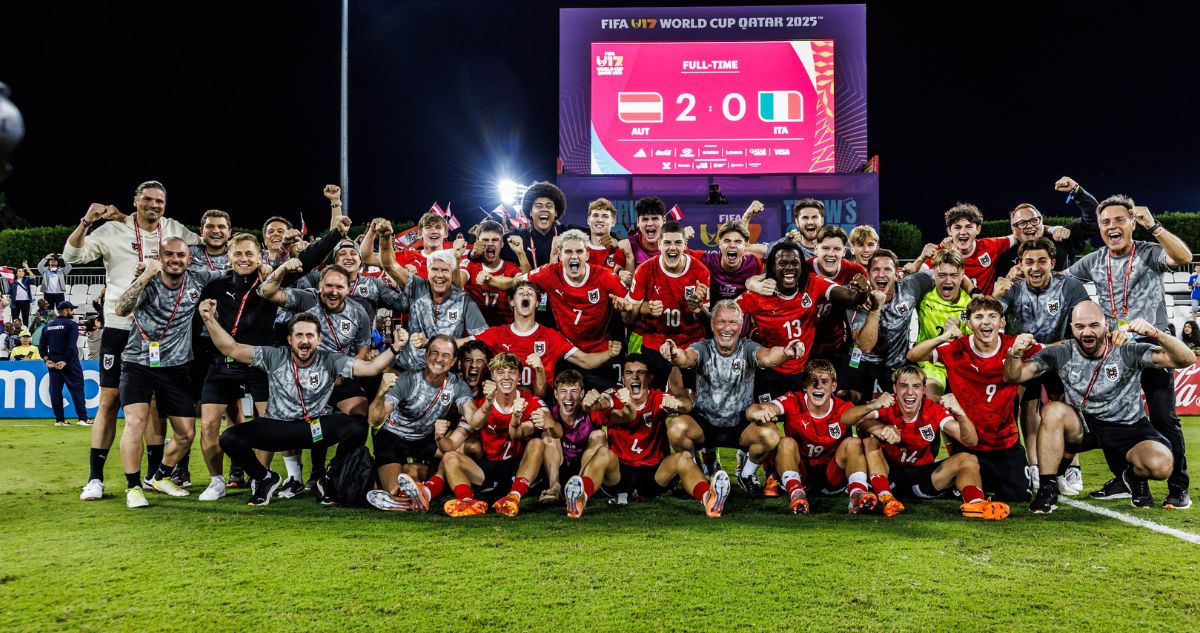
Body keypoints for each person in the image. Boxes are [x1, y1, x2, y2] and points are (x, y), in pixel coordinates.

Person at [64, 181, 200, 501]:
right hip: (120, 325)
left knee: (154, 404)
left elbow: (209, 248)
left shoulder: (173, 228)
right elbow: (72, 254)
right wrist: (86, 221)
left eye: (160, 201)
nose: (154, 205)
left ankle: (154, 476)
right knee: (109, 400)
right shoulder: (112, 231)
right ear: (136, 200)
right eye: (148, 200)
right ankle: (95, 479)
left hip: (157, 330)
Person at [1004, 303, 1197, 512]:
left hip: (1129, 426)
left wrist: (1155, 333)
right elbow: (1013, 376)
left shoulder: (1126, 349)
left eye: (1094, 325)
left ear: (1107, 325)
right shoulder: (1062, 352)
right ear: (1072, 327)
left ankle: (1132, 476)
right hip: (1085, 425)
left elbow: (1186, 359)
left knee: (1161, 466)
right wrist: (1015, 353)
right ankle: (1047, 489)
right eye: (1080, 326)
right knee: (1052, 411)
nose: (1086, 332)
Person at [206, 307, 402, 506]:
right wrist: (208, 318)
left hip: (313, 427)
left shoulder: (330, 360)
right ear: (290, 339)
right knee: (230, 438)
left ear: (319, 339)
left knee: (357, 428)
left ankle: (329, 477)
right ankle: (264, 478)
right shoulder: (274, 356)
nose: (304, 340)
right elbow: (231, 348)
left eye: (310, 335)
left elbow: (371, 368)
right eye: (299, 335)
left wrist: (395, 348)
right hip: (277, 426)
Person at [1067, 196, 1192, 508]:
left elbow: (1183, 256)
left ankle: (1179, 487)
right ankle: (1130, 481)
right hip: (1116, 352)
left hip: (1151, 347)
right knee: (1108, 415)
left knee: (1163, 417)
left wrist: (1155, 226)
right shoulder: (1095, 260)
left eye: (1119, 220)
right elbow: (1063, 280)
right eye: (1105, 222)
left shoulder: (1148, 252)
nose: (1112, 226)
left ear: (1132, 222)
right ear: (1099, 227)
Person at [108, 238, 223, 508]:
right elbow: (121, 309)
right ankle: (133, 487)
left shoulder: (198, 278)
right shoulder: (148, 282)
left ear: (188, 258)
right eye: (168, 254)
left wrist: (267, 268)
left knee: (186, 433)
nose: (175, 259)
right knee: (135, 423)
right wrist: (146, 274)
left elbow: (235, 269)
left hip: (176, 367)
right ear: (159, 257)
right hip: (138, 363)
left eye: (180, 255)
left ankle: (159, 477)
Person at [659, 300, 805, 493]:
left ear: (741, 325)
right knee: (676, 428)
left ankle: (746, 474)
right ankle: (695, 474)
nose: (726, 328)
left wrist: (786, 353)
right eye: (721, 322)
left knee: (770, 435)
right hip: (704, 423)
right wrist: (674, 353)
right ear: (712, 324)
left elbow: (768, 356)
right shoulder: (703, 348)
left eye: (732, 322)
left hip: (740, 425)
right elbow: (686, 358)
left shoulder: (748, 348)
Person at [560, 354, 731, 518]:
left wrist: (678, 403)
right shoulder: (613, 396)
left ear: (649, 378)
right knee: (603, 453)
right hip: (620, 474)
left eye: (640, 373)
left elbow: (686, 405)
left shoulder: (657, 398)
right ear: (623, 379)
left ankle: (709, 498)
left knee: (684, 457)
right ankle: (580, 498)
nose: (634, 377)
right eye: (629, 373)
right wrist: (592, 403)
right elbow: (601, 403)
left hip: (654, 474)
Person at [907, 297, 1040, 500]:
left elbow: (1051, 351)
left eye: (992, 316)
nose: (985, 322)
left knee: (1019, 495)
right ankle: (952, 473)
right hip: (970, 444)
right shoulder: (957, 348)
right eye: (978, 317)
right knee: (969, 487)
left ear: (1002, 322)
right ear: (969, 323)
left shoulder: (1014, 345)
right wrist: (943, 337)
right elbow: (913, 356)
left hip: (1005, 443)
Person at [843, 365, 1012, 520]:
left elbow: (971, 440)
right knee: (870, 443)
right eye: (904, 386)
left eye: (916, 387)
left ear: (924, 389)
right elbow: (846, 418)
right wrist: (875, 417)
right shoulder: (887, 404)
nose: (910, 392)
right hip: (890, 476)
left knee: (968, 459)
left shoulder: (934, 410)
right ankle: (886, 498)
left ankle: (975, 503)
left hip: (924, 479)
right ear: (895, 388)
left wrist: (961, 414)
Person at [995, 237, 1090, 493]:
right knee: (1028, 409)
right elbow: (993, 316)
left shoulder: (1069, 286)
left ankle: (1071, 466)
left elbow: (1086, 320)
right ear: (1020, 265)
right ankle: (1035, 466)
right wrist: (996, 294)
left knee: (1065, 407)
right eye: (1029, 262)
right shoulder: (1013, 289)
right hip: (1027, 358)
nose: (1035, 267)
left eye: (1041, 261)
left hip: (1061, 355)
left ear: (1052, 263)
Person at [486, 228, 634, 390]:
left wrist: (626, 309)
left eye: (579, 251)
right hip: (568, 353)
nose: (574, 256)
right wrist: (489, 280)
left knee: (605, 407)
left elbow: (630, 316)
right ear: (560, 255)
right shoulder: (549, 272)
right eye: (568, 251)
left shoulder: (605, 277)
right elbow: (513, 283)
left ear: (587, 255)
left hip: (603, 353)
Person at [191, 234, 278, 500]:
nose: (244, 259)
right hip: (222, 363)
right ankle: (216, 480)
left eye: (249, 254)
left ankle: (261, 478)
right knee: (207, 426)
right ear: (229, 256)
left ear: (259, 256)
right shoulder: (215, 286)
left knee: (266, 425)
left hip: (259, 362)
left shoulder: (270, 283)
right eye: (238, 254)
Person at [738, 241, 869, 401]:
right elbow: (723, 314)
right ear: (772, 267)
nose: (789, 268)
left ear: (802, 267)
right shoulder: (757, 295)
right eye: (782, 263)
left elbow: (852, 297)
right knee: (766, 418)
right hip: (770, 369)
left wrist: (862, 291)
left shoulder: (813, 283)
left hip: (802, 370)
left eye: (794, 263)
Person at [744, 360, 878, 514]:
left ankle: (857, 493)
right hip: (800, 473)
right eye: (813, 381)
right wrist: (755, 412)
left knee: (854, 442)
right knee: (785, 442)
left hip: (832, 476)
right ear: (804, 385)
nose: (818, 386)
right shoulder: (793, 400)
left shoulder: (842, 407)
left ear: (833, 386)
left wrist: (882, 429)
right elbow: (757, 408)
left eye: (824, 382)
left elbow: (866, 420)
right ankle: (796, 494)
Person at [365, 335, 478, 505]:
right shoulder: (408, 379)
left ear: (454, 361)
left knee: (467, 450)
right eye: (434, 353)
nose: (439, 359)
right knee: (395, 491)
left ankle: (424, 484)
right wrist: (381, 392)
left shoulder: (457, 385)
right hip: (394, 437)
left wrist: (489, 403)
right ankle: (399, 488)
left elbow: (474, 419)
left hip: (424, 439)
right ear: (426, 356)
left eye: (446, 355)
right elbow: (374, 420)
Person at [473, 280, 622, 397]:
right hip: (504, 400)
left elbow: (585, 360)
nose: (526, 295)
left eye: (530, 293)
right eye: (521, 293)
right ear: (512, 301)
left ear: (537, 303)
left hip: (539, 404)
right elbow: (464, 343)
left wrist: (609, 354)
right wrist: (449, 344)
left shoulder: (551, 337)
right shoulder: (497, 334)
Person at [628, 221, 711, 387]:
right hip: (655, 342)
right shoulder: (644, 270)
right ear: (659, 244)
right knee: (652, 397)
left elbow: (705, 321)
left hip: (690, 342)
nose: (672, 248)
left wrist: (698, 308)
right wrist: (648, 308)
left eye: (678, 243)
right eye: (667, 242)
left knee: (693, 398)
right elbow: (630, 316)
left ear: (685, 245)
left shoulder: (700, 271)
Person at [996, 176, 1099, 276]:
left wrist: (1077, 191)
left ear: (1041, 222)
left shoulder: (1061, 238)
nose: (1029, 226)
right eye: (1022, 223)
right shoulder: (1002, 253)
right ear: (1013, 229)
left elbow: (1094, 220)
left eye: (1034, 220)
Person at [911, 248, 972, 401]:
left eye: (954, 275)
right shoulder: (923, 298)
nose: (948, 281)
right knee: (930, 397)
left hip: (960, 366)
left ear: (963, 274)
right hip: (930, 363)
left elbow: (976, 346)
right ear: (933, 273)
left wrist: (960, 336)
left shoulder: (972, 305)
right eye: (942, 275)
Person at [923, 203, 1016, 295]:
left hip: (984, 307)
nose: (963, 232)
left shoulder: (990, 245)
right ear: (949, 231)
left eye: (969, 227)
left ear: (978, 229)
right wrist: (921, 258)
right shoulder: (940, 252)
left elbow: (1017, 236)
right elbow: (916, 276)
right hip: (952, 308)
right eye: (957, 227)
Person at [456, 220, 524, 326]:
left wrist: (520, 253)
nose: (490, 243)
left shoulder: (511, 268)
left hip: (503, 332)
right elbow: (456, 285)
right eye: (485, 240)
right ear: (477, 242)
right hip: (474, 331)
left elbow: (528, 284)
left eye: (495, 240)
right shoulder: (469, 264)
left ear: (502, 243)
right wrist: (456, 257)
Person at [39, 301, 90, 428]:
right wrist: (65, 361)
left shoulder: (48, 326)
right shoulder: (71, 324)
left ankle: (60, 420)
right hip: (69, 361)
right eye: (72, 310)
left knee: (55, 391)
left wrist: (47, 360)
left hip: (53, 361)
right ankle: (83, 418)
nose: (73, 312)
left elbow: (41, 346)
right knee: (77, 389)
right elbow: (72, 345)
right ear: (66, 310)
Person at [619, 195, 666, 267]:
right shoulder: (628, 246)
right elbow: (615, 275)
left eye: (655, 218)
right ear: (638, 222)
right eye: (645, 219)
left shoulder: (673, 245)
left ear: (664, 221)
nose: (650, 224)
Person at [6, 261, 35, 325]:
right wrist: (8, 299)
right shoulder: (12, 282)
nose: (21, 272)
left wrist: (27, 267)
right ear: (16, 274)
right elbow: (9, 293)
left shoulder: (26, 280)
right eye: (19, 271)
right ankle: (15, 332)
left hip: (25, 302)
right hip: (15, 302)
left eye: (22, 271)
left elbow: (33, 278)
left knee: (25, 318)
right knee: (15, 319)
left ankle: (26, 332)